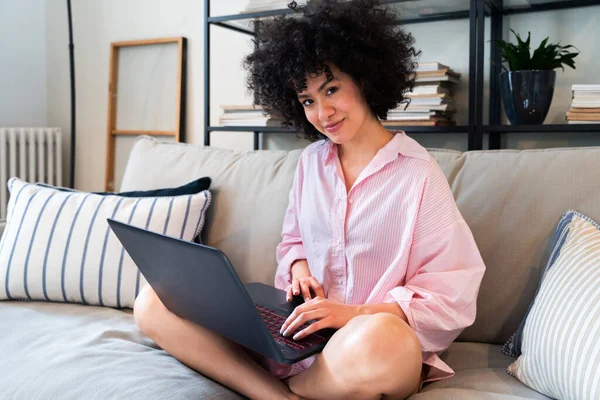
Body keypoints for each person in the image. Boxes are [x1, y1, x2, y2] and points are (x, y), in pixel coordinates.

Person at [133, 0, 486, 399]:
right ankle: (278, 393)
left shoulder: (418, 173)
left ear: (365, 79)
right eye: (308, 101)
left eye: (331, 89)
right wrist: (300, 272)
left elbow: (447, 295)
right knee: (153, 301)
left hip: (365, 342)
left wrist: (350, 315)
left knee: (383, 339)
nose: (323, 113)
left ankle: (283, 389)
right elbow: (293, 243)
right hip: (299, 338)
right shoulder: (310, 164)